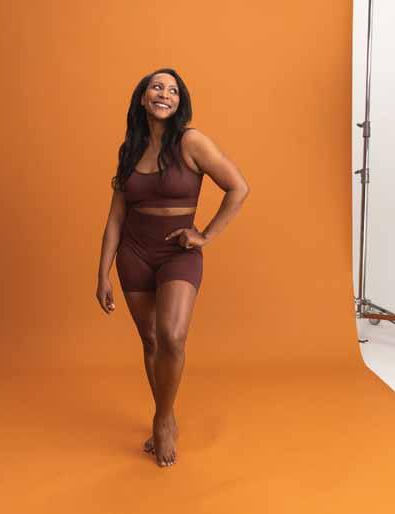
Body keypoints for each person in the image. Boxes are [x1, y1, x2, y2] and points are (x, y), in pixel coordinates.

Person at [96, 68, 250, 468]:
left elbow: (238, 187)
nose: (165, 94)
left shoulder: (191, 141)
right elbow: (115, 217)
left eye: (173, 90)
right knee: (150, 341)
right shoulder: (130, 149)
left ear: (180, 102)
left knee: (172, 336)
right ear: (142, 97)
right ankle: (165, 412)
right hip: (133, 253)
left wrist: (205, 235)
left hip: (177, 253)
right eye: (157, 87)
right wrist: (102, 273)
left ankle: (163, 419)